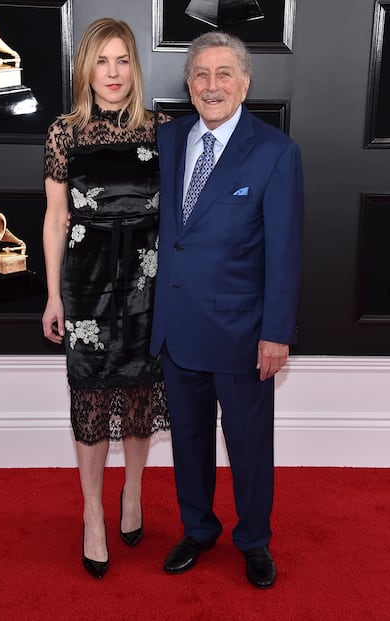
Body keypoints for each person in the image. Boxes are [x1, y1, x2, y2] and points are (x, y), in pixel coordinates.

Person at [150, 31, 303, 588]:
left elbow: (284, 252)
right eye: (201, 75)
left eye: (223, 75)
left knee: (248, 444)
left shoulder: (274, 152)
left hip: (243, 333)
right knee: (188, 441)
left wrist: (276, 333)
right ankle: (197, 528)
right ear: (189, 85)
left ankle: (254, 540)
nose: (211, 86)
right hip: (177, 327)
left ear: (244, 83)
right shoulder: (169, 142)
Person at [42, 17, 170, 579]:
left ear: (134, 67)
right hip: (87, 282)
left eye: (122, 60)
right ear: (85, 68)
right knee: (91, 400)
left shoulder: (162, 130)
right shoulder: (64, 133)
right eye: (102, 61)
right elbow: (53, 219)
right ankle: (93, 512)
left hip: (149, 279)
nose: (113, 73)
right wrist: (53, 297)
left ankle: (134, 493)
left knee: (141, 393)